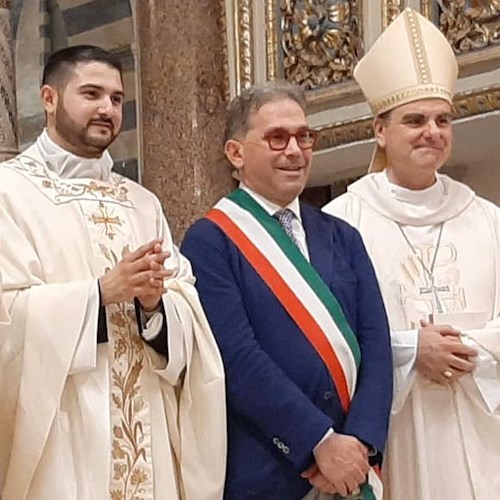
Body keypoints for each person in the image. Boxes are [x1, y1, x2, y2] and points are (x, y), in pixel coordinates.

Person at [0, 45, 226, 500]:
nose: (107, 108)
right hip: (62, 434)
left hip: (147, 430)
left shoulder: (143, 203)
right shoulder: (10, 192)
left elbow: (190, 317)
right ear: (49, 98)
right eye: (91, 94)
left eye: (117, 99)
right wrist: (98, 294)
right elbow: (7, 313)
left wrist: (154, 306)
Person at [181, 81, 393, 499]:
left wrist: (361, 443)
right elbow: (237, 357)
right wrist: (317, 441)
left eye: (304, 136)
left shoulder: (342, 236)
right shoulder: (210, 240)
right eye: (277, 138)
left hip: (353, 468)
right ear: (236, 153)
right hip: (269, 469)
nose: (295, 150)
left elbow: (376, 345)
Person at [323, 8, 500, 500]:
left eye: (443, 120)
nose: (433, 131)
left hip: (485, 429)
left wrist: (467, 350)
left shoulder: (488, 217)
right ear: (380, 130)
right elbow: (332, 336)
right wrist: (410, 350)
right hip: (397, 432)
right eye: (415, 120)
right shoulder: (342, 222)